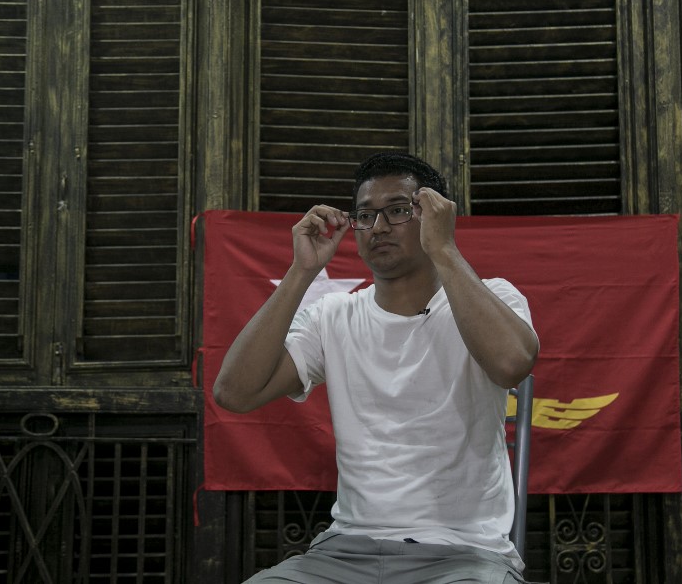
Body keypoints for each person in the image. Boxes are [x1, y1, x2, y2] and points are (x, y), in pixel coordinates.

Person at [213, 152, 540, 583]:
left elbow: (512, 364)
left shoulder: (491, 296)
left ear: (434, 215)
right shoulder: (333, 315)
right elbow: (234, 393)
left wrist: (443, 249)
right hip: (346, 550)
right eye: (365, 215)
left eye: (399, 211)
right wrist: (301, 271)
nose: (379, 227)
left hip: (462, 553)